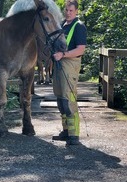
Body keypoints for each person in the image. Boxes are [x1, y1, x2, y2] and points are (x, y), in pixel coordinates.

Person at [52, 0, 87, 145]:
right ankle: (66, 131)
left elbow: (81, 49)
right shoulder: (61, 25)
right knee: (60, 100)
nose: (68, 12)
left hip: (70, 64)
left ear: (77, 11)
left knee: (69, 100)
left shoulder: (79, 26)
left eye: (71, 10)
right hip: (59, 64)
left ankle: (74, 135)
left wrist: (63, 55)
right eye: (66, 10)